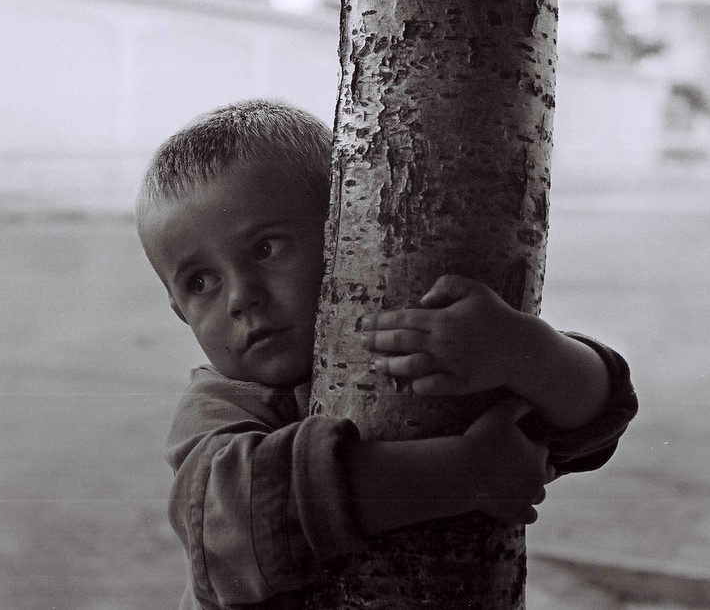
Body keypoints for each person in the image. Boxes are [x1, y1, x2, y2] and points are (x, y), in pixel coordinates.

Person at [135, 100, 638, 609]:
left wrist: (528, 353)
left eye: (266, 249)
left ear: (350, 235)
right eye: (200, 282)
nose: (241, 297)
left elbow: (597, 418)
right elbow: (233, 522)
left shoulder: (410, 346)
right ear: (180, 312)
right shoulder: (218, 406)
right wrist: (467, 473)